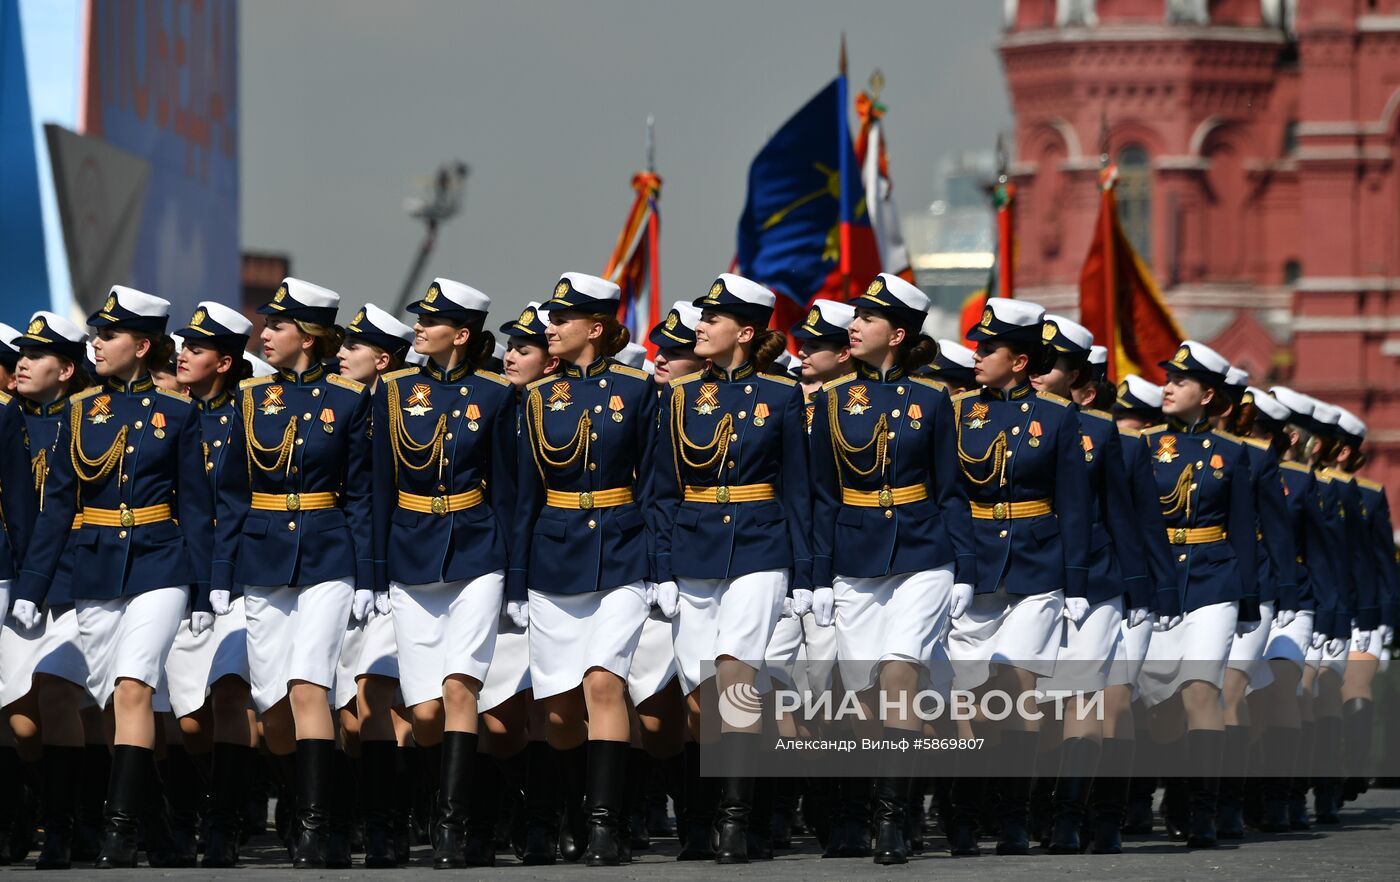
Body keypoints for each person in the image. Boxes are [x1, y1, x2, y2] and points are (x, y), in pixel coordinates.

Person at [14, 287, 212, 868]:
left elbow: (196, 509)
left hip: (160, 563)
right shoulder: (80, 410)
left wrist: (201, 588)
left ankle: (119, 834)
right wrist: (32, 585)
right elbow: (56, 507)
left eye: (109, 336)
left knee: (133, 689)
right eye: (97, 335)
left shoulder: (180, 412)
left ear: (142, 345)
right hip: (97, 567)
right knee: (105, 704)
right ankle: (156, 828)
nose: (96, 343)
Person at [808, 274, 976, 864]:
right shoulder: (828, 399)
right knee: (863, 694)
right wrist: (817, 576)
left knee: (900, 676)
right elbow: (821, 497)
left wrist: (965, 569)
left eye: (866, 319)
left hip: (925, 554)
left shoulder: (934, 399)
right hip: (855, 558)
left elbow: (952, 491)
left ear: (897, 334)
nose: (853, 327)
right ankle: (876, 808)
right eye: (853, 318)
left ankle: (889, 822)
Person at [211, 277, 374, 868]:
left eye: (276, 326)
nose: (265, 335)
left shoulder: (352, 399)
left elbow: (360, 495)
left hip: (330, 556)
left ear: (308, 336)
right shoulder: (250, 400)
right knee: (272, 707)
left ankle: (314, 827)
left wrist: (369, 577)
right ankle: (329, 807)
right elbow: (231, 494)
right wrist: (222, 571)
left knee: (309, 685)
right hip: (263, 557)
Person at [652, 274, 811, 864]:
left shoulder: (782, 395)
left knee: (735, 677)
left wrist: (808, 573)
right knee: (699, 697)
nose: (700, 326)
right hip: (693, 549)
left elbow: (801, 490)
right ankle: (700, 818)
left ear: (745, 332)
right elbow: (662, 489)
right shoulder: (680, 396)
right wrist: (661, 565)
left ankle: (736, 823)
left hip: (760, 547)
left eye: (713, 320)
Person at [510, 273, 658, 866]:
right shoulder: (536, 398)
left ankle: (605, 823)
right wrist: (517, 578)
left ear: (594, 329)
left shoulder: (639, 390)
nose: (551, 327)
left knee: (603, 683)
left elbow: (655, 484)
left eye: (562, 319)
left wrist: (660, 566)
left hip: (623, 552)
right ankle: (571, 810)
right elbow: (522, 497)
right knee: (560, 709)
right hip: (555, 556)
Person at [371, 279, 514, 868]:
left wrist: (517, 576)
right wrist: (372, 573)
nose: (419, 329)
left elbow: (510, 490)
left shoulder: (498, 394)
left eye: (431, 322)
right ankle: (463, 806)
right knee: (425, 710)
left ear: (461, 335)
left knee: (462, 688)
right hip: (410, 553)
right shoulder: (392, 391)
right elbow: (379, 484)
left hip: (478, 552)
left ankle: (453, 828)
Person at [944, 297, 1091, 857]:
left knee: (1016, 691)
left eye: (989, 349)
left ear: (1021, 361)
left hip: (1036, 567)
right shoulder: (957, 412)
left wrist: (1074, 583)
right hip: (974, 566)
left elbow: (1074, 506)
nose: (977, 357)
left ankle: (1013, 816)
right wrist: (956, 565)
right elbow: (949, 495)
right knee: (968, 695)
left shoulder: (1057, 416)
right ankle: (963, 810)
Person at [1029, 315, 1148, 854]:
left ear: (1080, 381)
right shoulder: (1000, 417)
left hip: (1095, 578)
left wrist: (1148, 592)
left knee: (1089, 697)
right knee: (1032, 701)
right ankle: (1032, 808)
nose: (1035, 371)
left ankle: (1078, 816)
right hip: (1030, 572)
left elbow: (1129, 520)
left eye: (1048, 365)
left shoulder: (1102, 435)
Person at [1139, 340, 1259, 849]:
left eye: (1180, 382)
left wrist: (1247, 603)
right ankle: (1179, 792)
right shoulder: (1140, 446)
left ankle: (1203, 811)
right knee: (1161, 708)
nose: (1167, 387)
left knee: (1201, 692)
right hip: (1154, 582)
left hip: (1212, 581)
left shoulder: (1234, 455)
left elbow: (1243, 531)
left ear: (1208, 395)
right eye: (1168, 379)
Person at [159, 302, 260, 868]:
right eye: (183, 347)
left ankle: (222, 822)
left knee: (228, 694)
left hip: (240, 569)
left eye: (196, 350)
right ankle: (197, 807)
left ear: (224, 362)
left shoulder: (247, 416)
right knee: (184, 714)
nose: (184, 356)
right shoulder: (166, 414)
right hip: (178, 569)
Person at [334, 302, 417, 867]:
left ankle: (742, 811)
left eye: (353, 347)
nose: (341, 354)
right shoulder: (342, 409)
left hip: (744, 551)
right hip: (350, 568)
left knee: (734, 677)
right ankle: (372, 816)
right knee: (350, 704)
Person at [484, 300, 561, 865]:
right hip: (489, 564)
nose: (511, 356)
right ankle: (510, 807)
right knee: (495, 708)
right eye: (509, 346)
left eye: (525, 348)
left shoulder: (549, 411)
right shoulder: (492, 404)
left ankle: (545, 817)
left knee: (546, 702)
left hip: (547, 564)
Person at [1106, 375, 1174, 845]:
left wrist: (1160, 592)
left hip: (1132, 589)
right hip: (1077, 582)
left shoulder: (1131, 453)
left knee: (1128, 699)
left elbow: (1149, 528)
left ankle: (1130, 801)